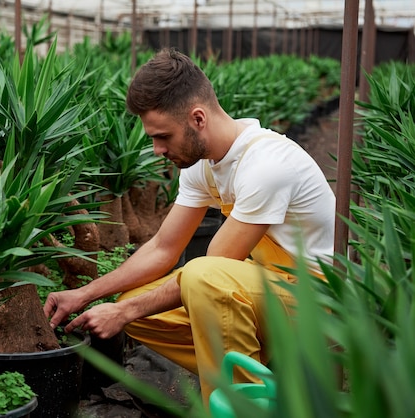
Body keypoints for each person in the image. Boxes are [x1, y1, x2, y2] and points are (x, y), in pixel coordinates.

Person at [43, 47, 336, 404]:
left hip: (313, 301)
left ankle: (242, 406)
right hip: (263, 287)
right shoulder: (203, 164)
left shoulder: (266, 165)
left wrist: (122, 312)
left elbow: (214, 269)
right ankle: (261, 380)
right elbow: (163, 247)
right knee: (137, 305)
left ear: (198, 118)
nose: (156, 149)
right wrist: (87, 295)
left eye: (163, 136)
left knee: (201, 280)